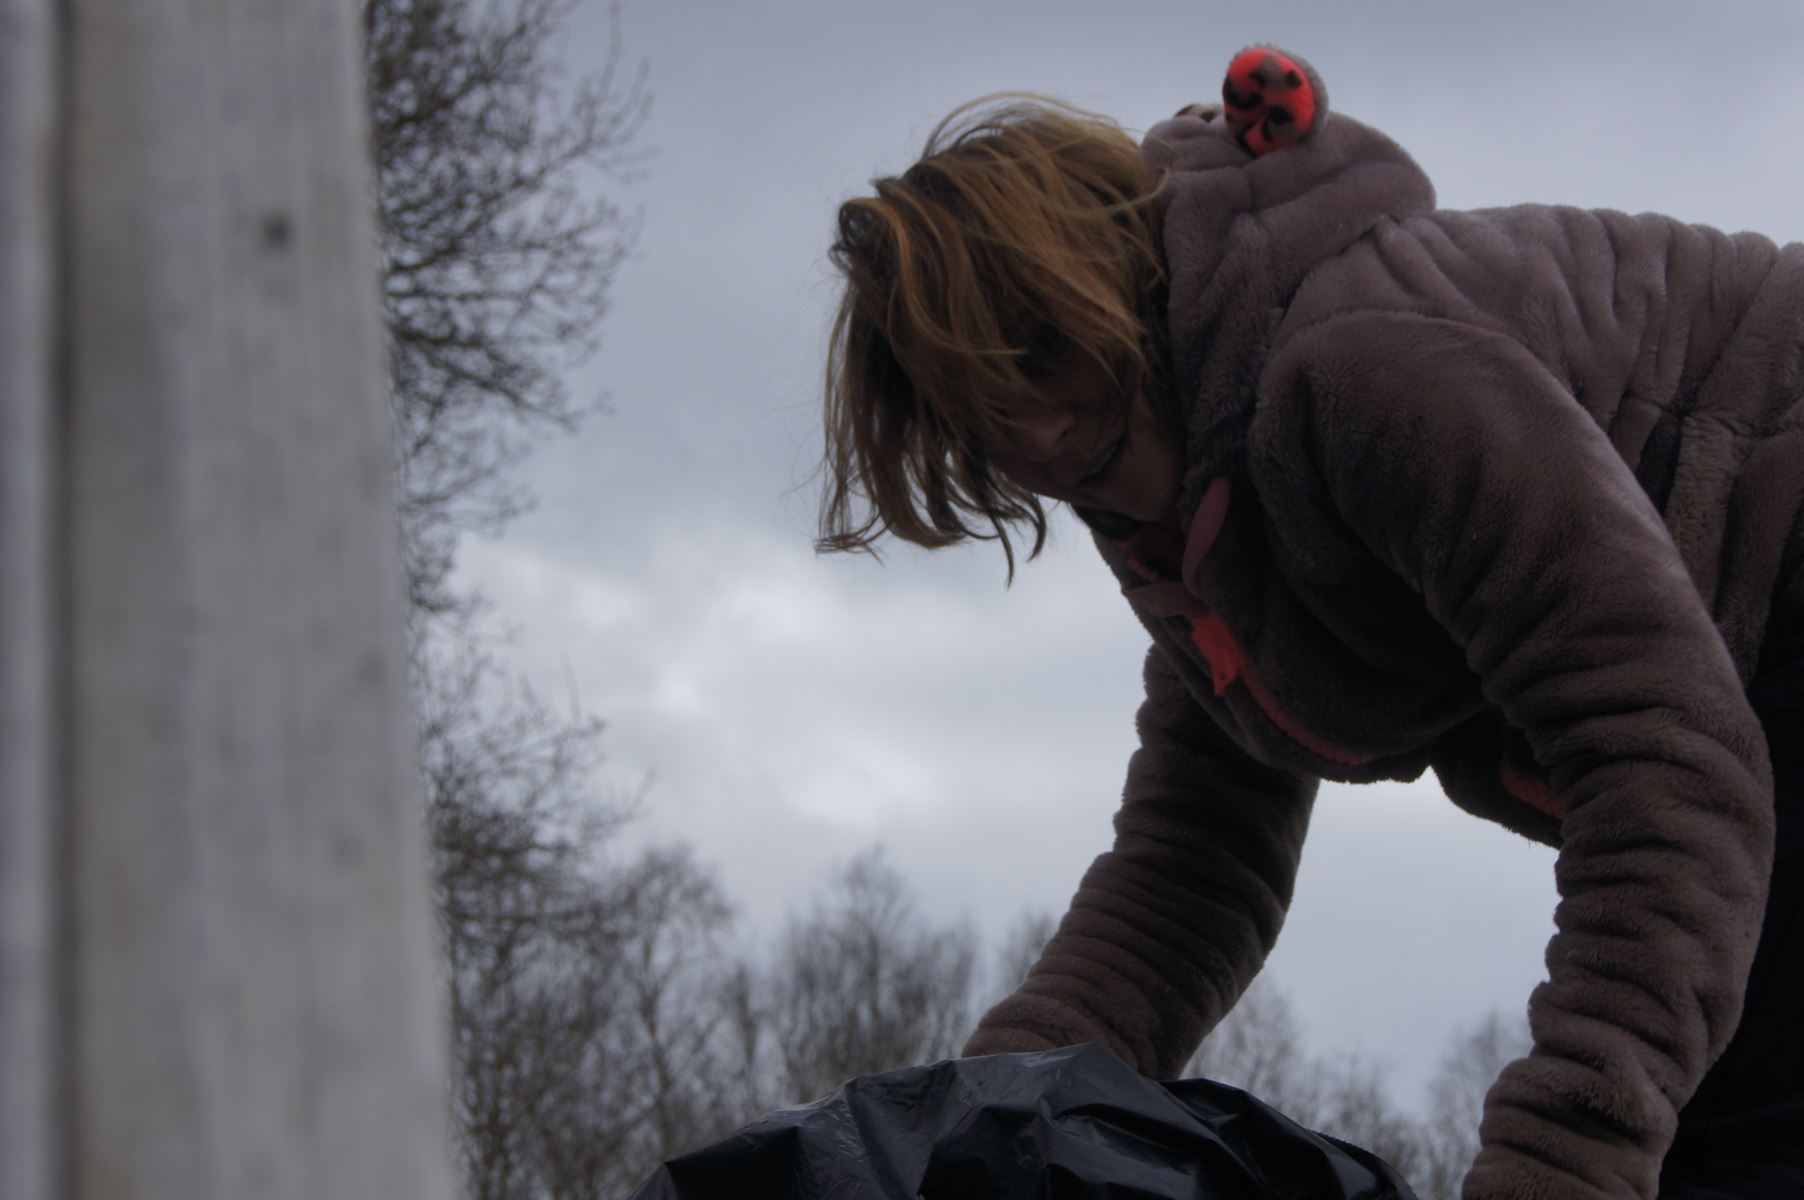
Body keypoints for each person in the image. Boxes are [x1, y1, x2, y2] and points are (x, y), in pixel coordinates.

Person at [814, 45, 1804, 1200]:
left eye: (1039, 353)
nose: (1028, 436)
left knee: (1720, 1136)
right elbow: (1188, 873)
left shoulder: (1360, 375)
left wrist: (1559, 1163)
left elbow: (1665, 768)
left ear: (1115, 284)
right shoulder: (1193, 527)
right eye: (975, 407)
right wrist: (966, 1144)